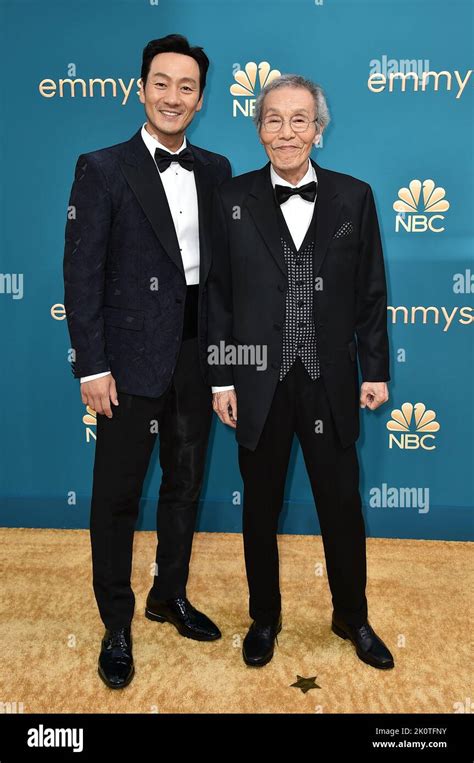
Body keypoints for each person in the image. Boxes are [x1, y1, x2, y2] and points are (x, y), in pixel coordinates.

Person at [207, 74, 394, 670]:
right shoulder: (231, 200)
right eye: (273, 120)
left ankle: (352, 617)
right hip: (258, 381)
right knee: (258, 508)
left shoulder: (354, 197)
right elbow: (218, 298)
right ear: (258, 127)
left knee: (342, 506)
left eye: (299, 120)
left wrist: (376, 369)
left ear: (319, 128)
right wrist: (222, 377)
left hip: (330, 382)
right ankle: (265, 617)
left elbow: (370, 293)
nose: (285, 133)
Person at [63, 34, 231, 689]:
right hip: (127, 361)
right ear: (141, 88)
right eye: (161, 82)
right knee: (116, 498)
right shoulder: (102, 167)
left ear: (200, 98)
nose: (173, 96)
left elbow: (220, 279)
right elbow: (82, 274)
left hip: (196, 356)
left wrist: (222, 369)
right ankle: (116, 622)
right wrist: (91, 365)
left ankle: (169, 595)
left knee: (185, 487)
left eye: (186, 87)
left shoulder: (216, 170)